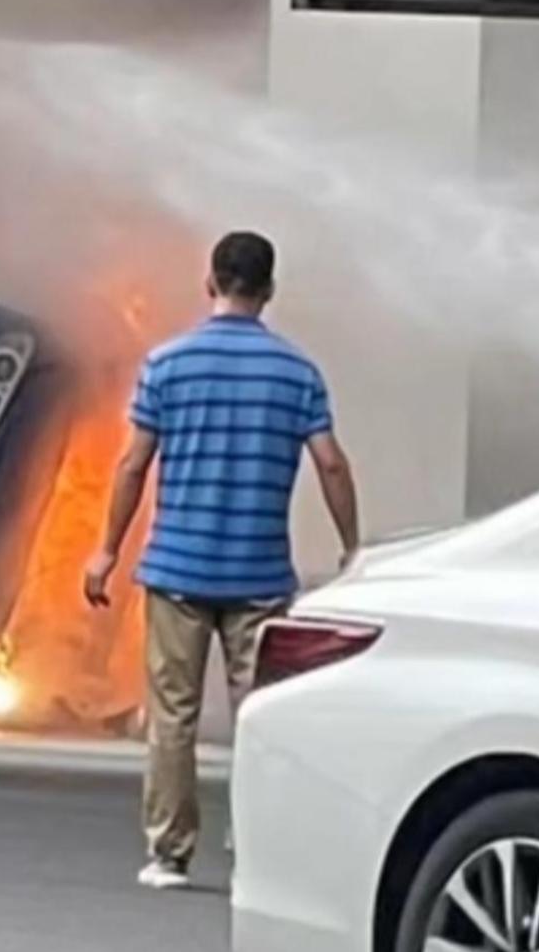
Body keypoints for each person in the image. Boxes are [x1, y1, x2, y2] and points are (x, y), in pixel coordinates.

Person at [83, 231, 360, 891]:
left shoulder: (167, 365)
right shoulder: (298, 373)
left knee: (172, 717)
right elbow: (329, 462)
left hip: (176, 572)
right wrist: (353, 546)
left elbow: (132, 463)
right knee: (261, 718)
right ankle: (259, 850)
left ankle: (168, 854)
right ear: (268, 290)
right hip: (260, 578)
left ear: (211, 282)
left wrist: (107, 551)